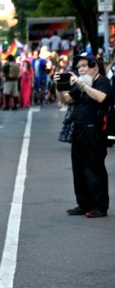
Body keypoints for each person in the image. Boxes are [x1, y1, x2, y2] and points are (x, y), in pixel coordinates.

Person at [56, 53, 111, 218]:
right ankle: (83, 204)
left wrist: (82, 85)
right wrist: (60, 85)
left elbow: (101, 97)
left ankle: (99, 207)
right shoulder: (81, 83)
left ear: (94, 66)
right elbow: (66, 99)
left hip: (94, 130)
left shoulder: (102, 81)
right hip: (79, 130)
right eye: (78, 67)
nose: (80, 69)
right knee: (78, 169)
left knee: (93, 169)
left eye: (84, 66)